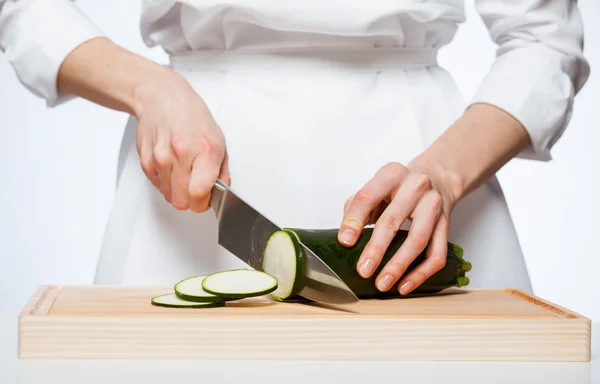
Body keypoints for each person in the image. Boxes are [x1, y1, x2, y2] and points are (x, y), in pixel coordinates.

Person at [0, 0, 589, 295]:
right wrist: (150, 89)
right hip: (190, 176)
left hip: (423, 186)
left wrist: (444, 171)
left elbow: (544, 40)